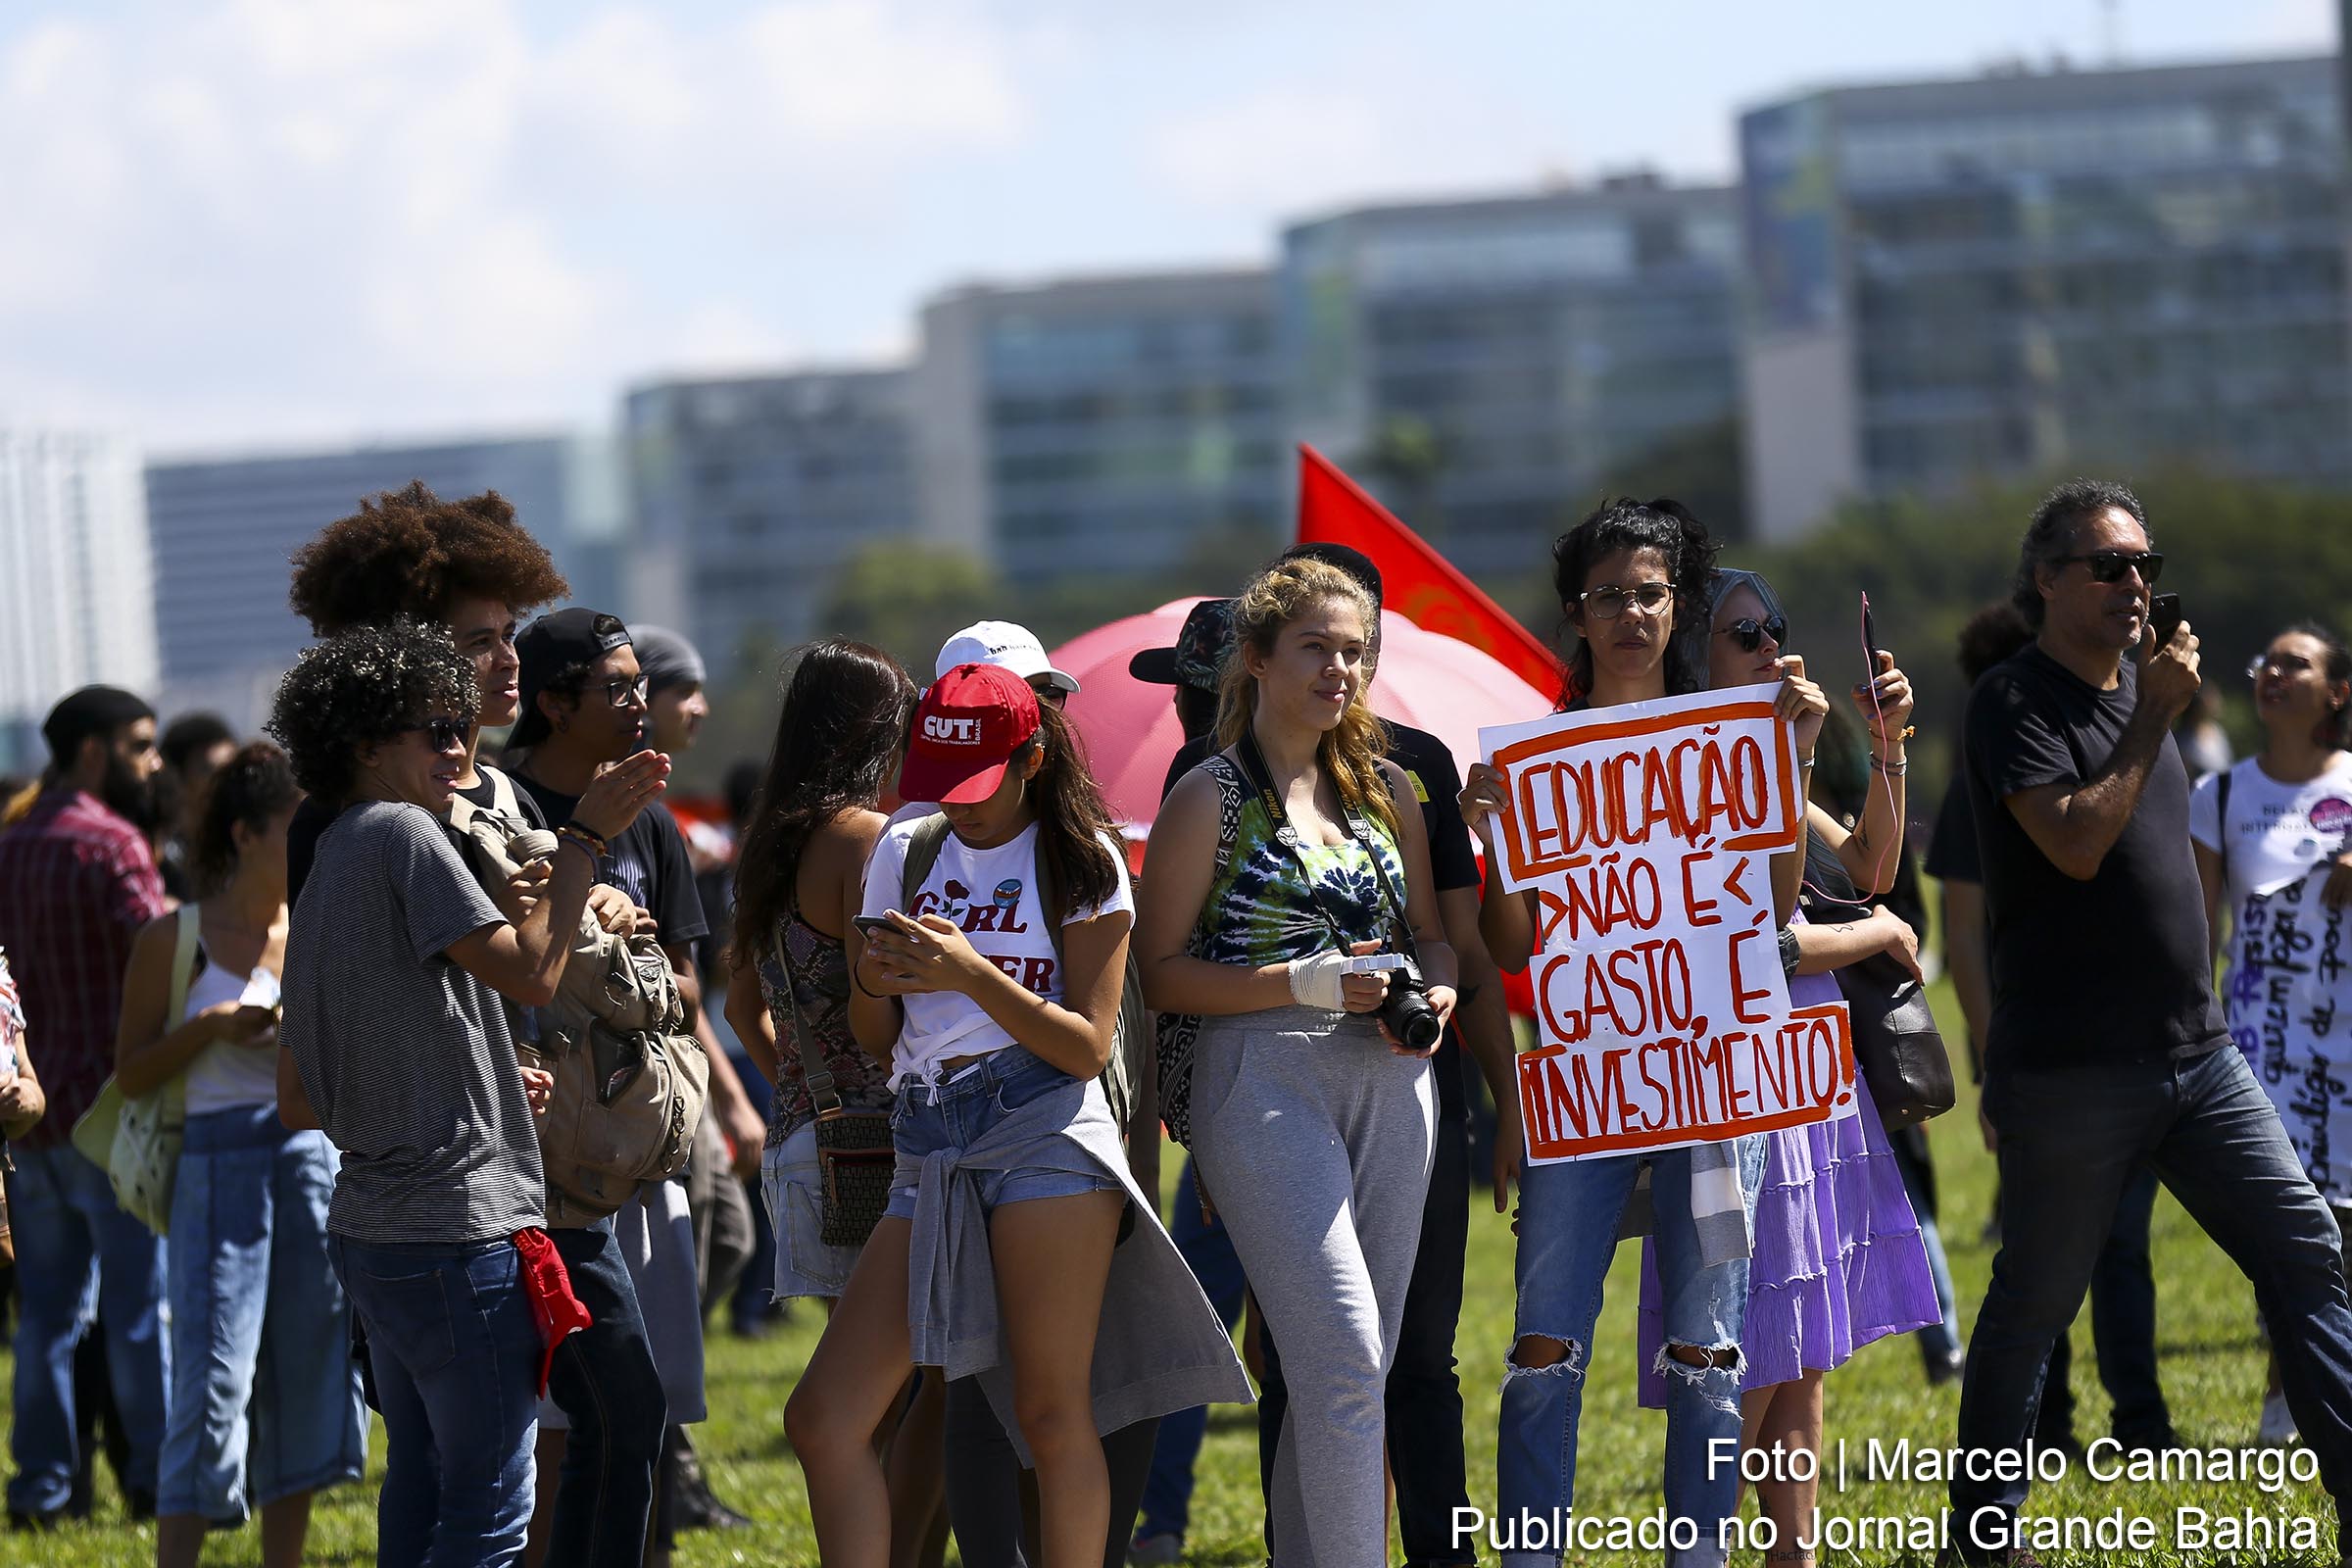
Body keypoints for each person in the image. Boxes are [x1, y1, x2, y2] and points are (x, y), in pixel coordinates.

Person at [1945, 478, 2352, 1566]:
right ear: (2046, 580)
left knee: (2305, 1248)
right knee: (2035, 1304)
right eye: (2109, 566)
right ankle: (1981, 1544)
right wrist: (2155, 717)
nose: (2136, 585)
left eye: (2146, 567)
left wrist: (2149, 709)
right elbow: (2074, 843)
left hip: (2199, 1057)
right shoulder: (2015, 702)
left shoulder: (2137, 692)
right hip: (2075, 1071)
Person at [285, 481, 671, 1568]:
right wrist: (586, 842)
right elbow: (531, 974)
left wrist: (487, 1065)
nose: (499, 672)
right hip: (459, 1212)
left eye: (507, 641)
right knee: (507, 1492)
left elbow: (392, 1013)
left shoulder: (380, 824)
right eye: (471, 651)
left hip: (406, 1209)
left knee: (431, 1475)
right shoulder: (398, 829)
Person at [788, 662, 1249, 1568]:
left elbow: (1085, 1046)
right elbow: (878, 1035)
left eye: (976, 784)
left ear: (1031, 757)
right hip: (925, 1140)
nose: (956, 805)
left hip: (1043, 1134)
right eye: (939, 784)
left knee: (1046, 1411)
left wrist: (968, 973)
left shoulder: (1083, 860)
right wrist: (874, 981)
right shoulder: (903, 849)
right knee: (825, 1415)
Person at [1459, 499, 1823, 1568]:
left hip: (1714, 1092)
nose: (1631, 612)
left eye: (1651, 593)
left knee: (1709, 1348)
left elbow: (1771, 901)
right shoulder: (1541, 758)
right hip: (1583, 1088)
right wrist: (1499, 837)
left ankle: (1698, 1558)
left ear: (1679, 606)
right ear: (1578, 611)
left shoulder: (1730, 743)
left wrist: (1790, 762)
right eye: (1610, 594)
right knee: (1542, 1344)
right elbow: (1510, 941)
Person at [1137, 556, 1460, 1567]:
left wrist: (1437, 987)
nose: (1339, 670)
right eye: (1316, 647)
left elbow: (1433, 934)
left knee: (1343, 1374)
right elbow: (1159, 975)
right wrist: (1303, 983)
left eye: (1355, 651)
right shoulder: (1210, 796)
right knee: (1345, 1355)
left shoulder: (1389, 786)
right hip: (1261, 1077)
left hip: (1395, 1080)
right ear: (1259, 658)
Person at [1634, 568, 1940, 1567]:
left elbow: (1871, 865)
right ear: (1698, 662)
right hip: (1732, 1088)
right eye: (1744, 633)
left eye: (1774, 630)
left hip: (1809, 1084)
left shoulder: (1769, 768)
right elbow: (1760, 944)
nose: (1771, 646)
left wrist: (1886, 748)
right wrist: (1879, 933)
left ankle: (1792, 1557)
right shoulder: (1679, 781)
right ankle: (1705, 1548)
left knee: (1802, 1350)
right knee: (1748, 1346)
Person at [504, 608, 763, 1549]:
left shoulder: (648, 823)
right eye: (616, 688)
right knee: (555, 1424)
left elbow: (692, 985)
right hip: (543, 1152)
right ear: (551, 703)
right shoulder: (503, 813)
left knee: (642, 1403)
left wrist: (637, 957)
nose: (639, 703)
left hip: (645, 1141)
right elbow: (510, 972)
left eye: (637, 684)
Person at [1929, 602, 2175, 1452]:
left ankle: (2118, 1423)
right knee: (2057, 1260)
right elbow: (1962, 929)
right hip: (2044, 1051)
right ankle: (2068, 1426)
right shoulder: (1993, 768)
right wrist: (1994, 1054)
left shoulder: (2129, 736)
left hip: (2133, 1040)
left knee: (2086, 1252)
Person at [112, 742, 365, 1567]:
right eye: (299, 821)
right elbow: (132, 1072)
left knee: (306, 1367)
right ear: (249, 833)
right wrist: (213, 1030)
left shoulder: (320, 929)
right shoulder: (174, 936)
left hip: (307, 1160)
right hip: (215, 1165)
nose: (317, 835)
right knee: (213, 1379)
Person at [0, 685, 172, 1529]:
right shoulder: (114, 845)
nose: (155, 763)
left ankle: (41, 1489)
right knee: (139, 1314)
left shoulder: (11, 842)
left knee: (46, 1321)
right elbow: (167, 952)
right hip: (114, 1117)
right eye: (142, 745)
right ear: (95, 751)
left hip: (27, 1121)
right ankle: (152, 1483)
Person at [2193, 622, 2352, 1448]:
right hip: (2265, 1053)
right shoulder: (2220, 798)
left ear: (2336, 693)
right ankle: (2284, 1402)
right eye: (2267, 661)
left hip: (2349, 1049)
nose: (2273, 673)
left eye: (2297, 663)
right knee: (2296, 1235)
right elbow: (2197, 931)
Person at [156, 713, 237, 903]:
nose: (227, 781)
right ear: (175, 778)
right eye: (210, 771)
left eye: (233, 769)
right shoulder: (157, 856)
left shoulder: (248, 849)